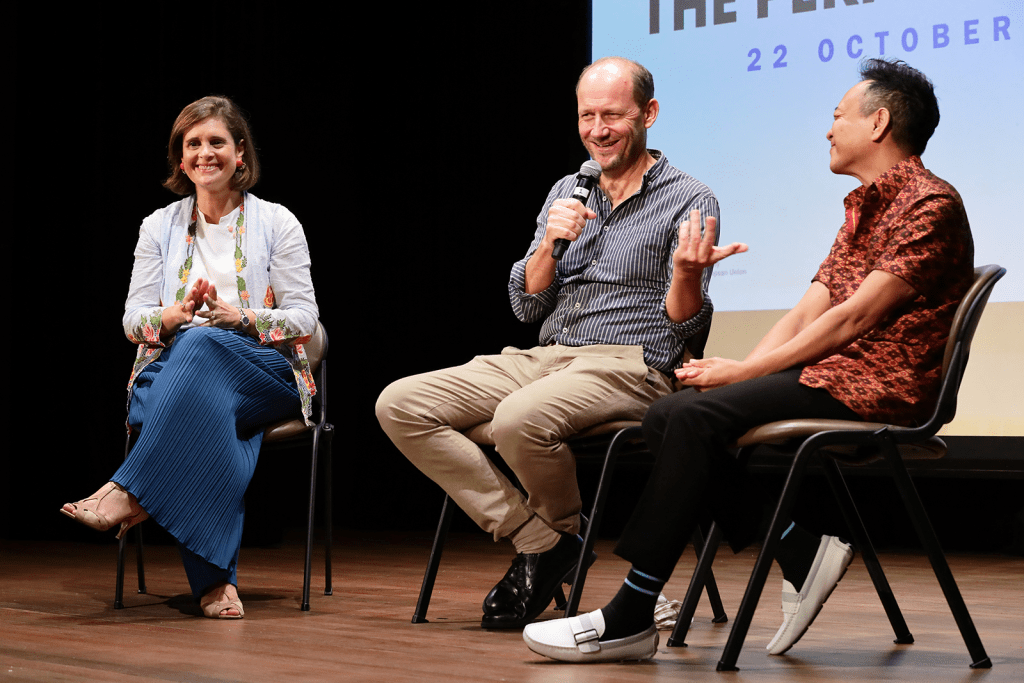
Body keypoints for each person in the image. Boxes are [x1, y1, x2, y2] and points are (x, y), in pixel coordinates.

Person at [523, 57, 974, 662]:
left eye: (837, 116)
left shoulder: (929, 204)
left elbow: (853, 319)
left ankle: (632, 611)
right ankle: (796, 546)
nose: (828, 129)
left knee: (684, 419)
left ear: (879, 122)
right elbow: (806, 311)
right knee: (673, 412)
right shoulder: (865, 206)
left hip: (877, 385)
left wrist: (742, 373)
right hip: (834, 375)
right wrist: (726, 378)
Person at [376, 57, 745, 630]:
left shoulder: (689, 198)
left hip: (629, 365)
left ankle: (549, 552)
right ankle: (543, 544)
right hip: (544, 357)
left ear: (648, 114)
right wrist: (549, 243)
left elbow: (684, 331)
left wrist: (687, 276)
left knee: (518, 420)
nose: (598, 130)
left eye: (613, 116)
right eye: (587, 116)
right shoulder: (567, 190)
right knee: (400, 403)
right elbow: (527, 305)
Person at [60, 96, 319, 620]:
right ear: (181, 159)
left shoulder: (278, 221)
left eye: (217, 142)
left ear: (240, 152)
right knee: (199, 383)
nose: (205, 153)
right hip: (176, 369)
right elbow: (133, 321)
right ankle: (215, 584)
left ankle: (130, 492)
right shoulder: (158, 226)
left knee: (200, 349)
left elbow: (305, 318)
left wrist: (240, 317)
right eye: (193, 144)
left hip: (262, 368)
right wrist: (175, 314)